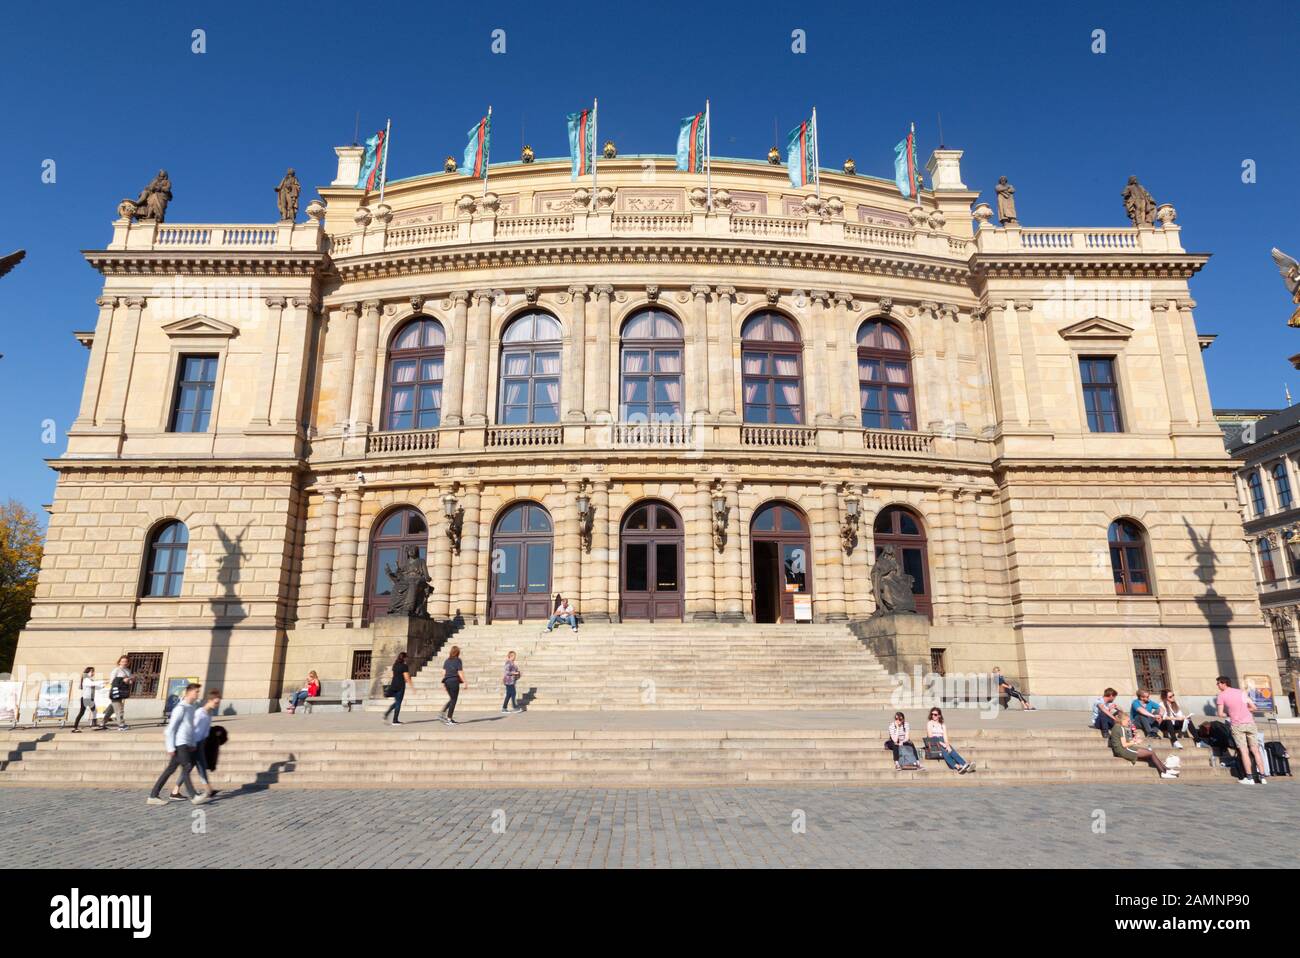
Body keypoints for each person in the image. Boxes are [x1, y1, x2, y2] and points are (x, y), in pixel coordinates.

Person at [146, 683, 209, 806]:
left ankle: (153, 795)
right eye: (196, 692)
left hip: (186, 743)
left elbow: (189, 728)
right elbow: (170, 729)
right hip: (179, 744)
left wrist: (192, 743)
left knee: (170, 770)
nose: (197, 694)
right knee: (187, 766)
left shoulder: (191, 707)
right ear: (189, 693)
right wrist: (170, 747)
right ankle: (194, 796)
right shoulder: (180, 708)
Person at [1216, 676, 1267, 785]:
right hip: (1250, 723)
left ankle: (1249, 778)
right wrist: (1244, 710)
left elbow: (1220, 714)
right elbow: (1254, 708)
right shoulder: (1241, 692)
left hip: (1237, 725)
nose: (1218, 685)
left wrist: (1231, 713)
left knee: (1244, 751)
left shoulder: (1221, 695)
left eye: (1218, 683)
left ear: (1224, 683)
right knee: (1256, 750)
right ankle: (1262, 777)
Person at [174, 689, 221, 799]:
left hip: (201, 743)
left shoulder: (209, 713)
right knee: (190, 767)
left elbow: (205, 730)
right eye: (216, 702)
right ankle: (176, 791)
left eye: (218, 702)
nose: (217, 704)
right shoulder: (200, 712)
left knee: (200, 766)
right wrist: (190, 743)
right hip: (193, 743)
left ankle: (207, 789)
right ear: (209, 700)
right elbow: (191, 727)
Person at [1108, 711, 1178, 778]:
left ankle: (1166, 770)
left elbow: (1123, 741)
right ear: (1122, 720)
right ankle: (1163, 772)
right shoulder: (1120, 728)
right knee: (1151, 753)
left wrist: (1133, 739)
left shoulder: (1116, 727)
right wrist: (1135, 742)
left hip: (1122, 749)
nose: (1129, 723)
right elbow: (1124, 745)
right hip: (1124, 750)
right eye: (1128, 721)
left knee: (1150, 754)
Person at [925, 707, 975, 774]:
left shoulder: (942, 725)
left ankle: (964, 765)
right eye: (932, 714)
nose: (933, 716)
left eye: (935, 714)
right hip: (933, 741)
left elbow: (945, 737)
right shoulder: (930, 723)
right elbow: (930, 736)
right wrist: (941, 743)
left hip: (942, 740)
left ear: (939, 715)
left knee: (950, 750)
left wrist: (947, 744)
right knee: (944, 752)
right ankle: (958, 766)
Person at [100, 655, 133, 730]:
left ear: (128, 663)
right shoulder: (116, 670)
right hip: (116, 692)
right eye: (122, 661)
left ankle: (102, 723)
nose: (124, 663)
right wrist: (122, 681)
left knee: (112, 708)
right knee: (119, 708)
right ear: (119, 662)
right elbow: (112, 681)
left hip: (123, 692)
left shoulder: (128, 670)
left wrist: (130, 681)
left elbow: (129, 681)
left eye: (126, 661)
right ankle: (121, 725)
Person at [438, 646, 467, 726]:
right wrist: (465, 682)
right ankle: (449, 719)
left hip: (447, 681)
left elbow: (443, 672)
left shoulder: (447, 660)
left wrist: (444, 683)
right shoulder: (458, 660)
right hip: (454, 681)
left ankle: (443, 713)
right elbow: (460, 672)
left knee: (452, 699)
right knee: (454, 700)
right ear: (457, 653)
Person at [383, 652, 411, 726]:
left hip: (394, 685)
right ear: (404, 658)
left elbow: (393, 675)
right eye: (406, 657)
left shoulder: (395, 665)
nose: (407, 659)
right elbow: (406, 677)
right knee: (398, 703)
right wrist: (412, 686)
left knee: (396, 702)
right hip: (400, 686)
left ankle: (386, 714)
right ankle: (395, 720)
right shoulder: (404, 666)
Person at [72, 667, 102, 732]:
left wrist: (103, 686)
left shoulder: (90, 680)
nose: (93, 673)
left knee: (94, 711)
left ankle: (94, 725)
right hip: (85, 699)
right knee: (82, 713)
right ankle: (75, 727)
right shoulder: (86, 680)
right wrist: (102, 681)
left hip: (90, 699)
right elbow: (92, 684)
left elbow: (96, 687)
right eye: (91, 672)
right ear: (87, 673)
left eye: (93, 672)